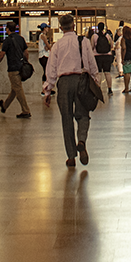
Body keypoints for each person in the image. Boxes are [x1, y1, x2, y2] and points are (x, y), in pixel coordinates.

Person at [42, 13, 100, 166]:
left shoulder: (57, 45)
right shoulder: (84, 41)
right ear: (74, 26)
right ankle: (81, 140)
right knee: (83, 115)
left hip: (64, 83)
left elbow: (51, 69)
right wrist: (96, 79)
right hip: (81, 80)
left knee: (66, 118)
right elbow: (91, 62)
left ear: (61, 28)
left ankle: (71, 157)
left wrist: (48, 90)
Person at [0, 22, 31, 118]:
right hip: (20, 68)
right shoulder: (21, 38)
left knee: (18, 89)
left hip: (13, 68)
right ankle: (4, 106)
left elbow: (1, 55)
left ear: (7, 29)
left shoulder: (7, 40)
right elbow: (26, 52)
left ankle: (26, 110)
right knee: (15, 89)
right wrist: (25, 63)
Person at [92, 22, 114, 96]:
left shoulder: (94, 36)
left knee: (99, 73)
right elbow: (111, 45)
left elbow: (92, 47)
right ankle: (110, 89)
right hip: (107, 56)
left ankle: (98, 89)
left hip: (97, 56)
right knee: (107, 73)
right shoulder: (107, 35)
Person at [37, 24, 53, 92]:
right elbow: (48, 45)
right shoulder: (43, 36)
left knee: (46, 72)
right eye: (47, 28)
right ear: (44, 28)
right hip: (44, 56)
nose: (48, 29)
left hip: (43, 56)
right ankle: (45, 89)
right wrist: (51, 46)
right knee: (46, 72)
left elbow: (46, 47)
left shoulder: (42, 36)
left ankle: (46, 88)